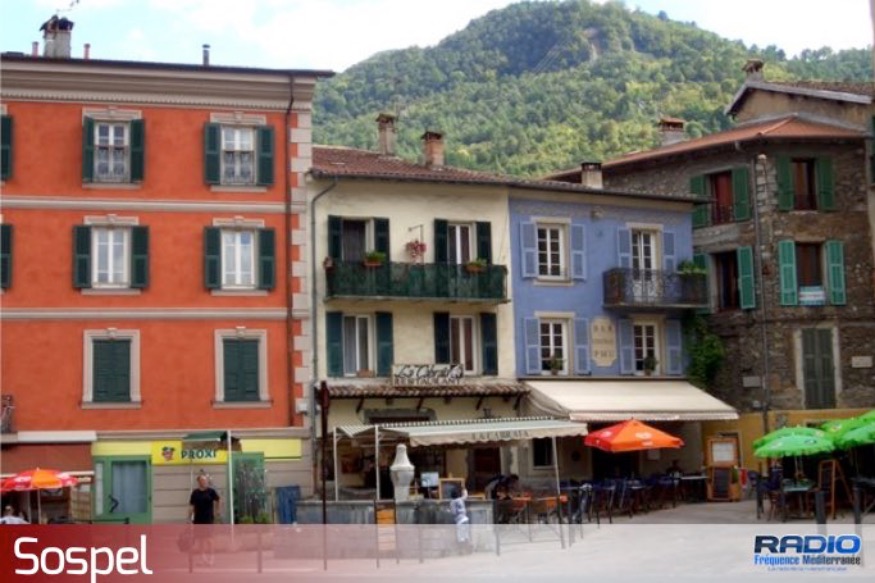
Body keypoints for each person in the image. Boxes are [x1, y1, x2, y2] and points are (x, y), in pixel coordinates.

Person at [189, 474, 221, 566]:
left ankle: (211, 558)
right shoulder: (195, 493)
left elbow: (218, 499)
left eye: (205, 480)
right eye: (201, 480)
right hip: (198, 519)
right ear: (198, 482)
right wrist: (189, 517)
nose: (203, 482)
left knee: (209, 540)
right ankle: (202, 559)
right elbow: (191, 506)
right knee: (200, 540)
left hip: (208, 519)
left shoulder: (211, 491)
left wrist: (217, 511)